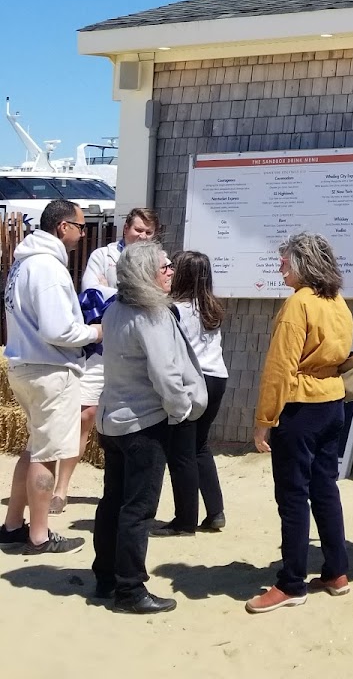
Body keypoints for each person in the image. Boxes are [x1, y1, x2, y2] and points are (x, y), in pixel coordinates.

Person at [92, 241, 207, 613]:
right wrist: (181, 410)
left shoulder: (114, 310)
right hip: (143, 424)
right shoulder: (152, 314)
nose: (171, 271)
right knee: (138, 509)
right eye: (164, 267)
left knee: (112, 502)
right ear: (146, 273)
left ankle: (106, 578)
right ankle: (130, 590)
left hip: (113, 421)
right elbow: (165, 374)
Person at [246, 233, 353, 614]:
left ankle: (291, 582)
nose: (280, 265)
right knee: (325, 488)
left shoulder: (298, 304)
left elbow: (280, 367)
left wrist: (264, 420)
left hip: (300, 407)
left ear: (303, 264)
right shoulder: (338, 301)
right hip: (333, 402)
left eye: (286, 260)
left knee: (292, 495)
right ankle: (337, 571)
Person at [1, 200, 98, 556]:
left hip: (25, 366)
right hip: (50, 370)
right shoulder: (48, 267)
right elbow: (58, 330)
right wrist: (95, 332)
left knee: (34, 449)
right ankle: (39, 536)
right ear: (62, 227)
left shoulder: (23, 264)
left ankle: (13, 526)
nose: (83, 234)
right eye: (81, 227)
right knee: (46, 454)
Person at [53, 207, 159, 514]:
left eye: (148, 232)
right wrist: (131, 295)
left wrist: (112, 291)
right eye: (138, 230)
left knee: (135, 418)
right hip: (100, 349)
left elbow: (154, 297)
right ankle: (61, 488)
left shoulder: (158, 260)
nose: (142, 236)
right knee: (85, 415)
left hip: (135, 352)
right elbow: (91, 293)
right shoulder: (103, 255)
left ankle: (125, 493)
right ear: (126, 229)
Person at [155, 250, 228, 535]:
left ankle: (185, 521)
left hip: (192, 380)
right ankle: (215, 511)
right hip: (217, 378)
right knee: (200, 446)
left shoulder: (174, 309)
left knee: (180, 452)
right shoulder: (212, 307)